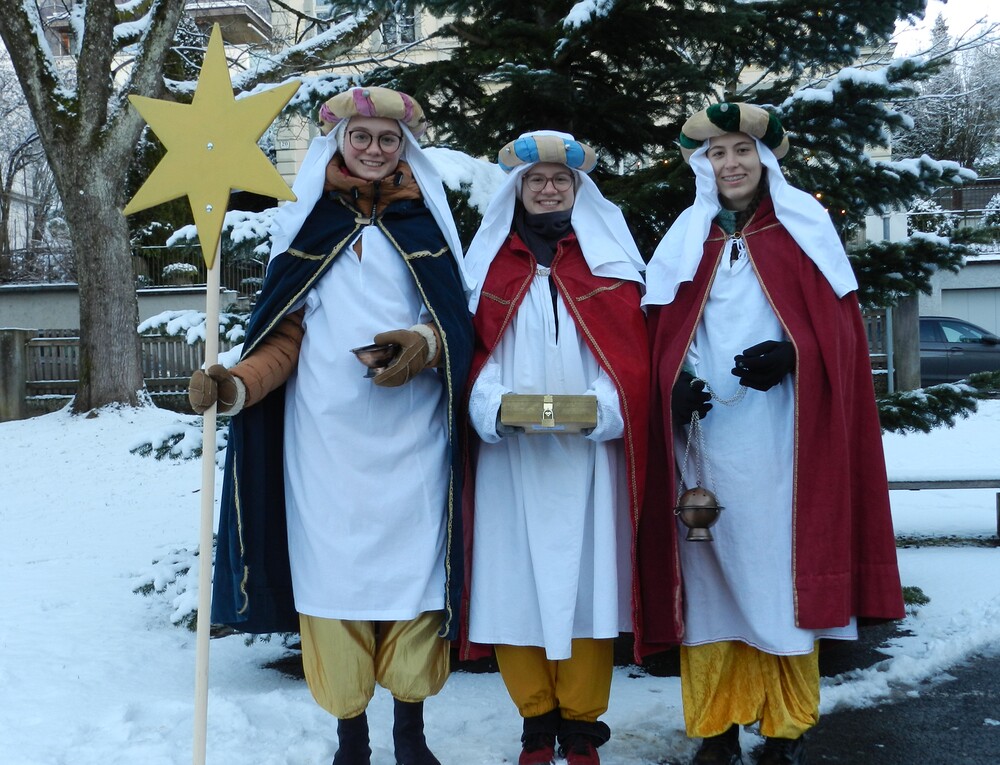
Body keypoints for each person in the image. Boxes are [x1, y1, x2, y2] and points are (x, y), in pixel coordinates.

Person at [187, 86, 474, 765]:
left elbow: (457, 327)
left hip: (414, 441)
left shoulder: (426, 226)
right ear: (339, 142)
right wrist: (235, 383)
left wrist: (424, 346)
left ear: (405, 147)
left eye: (388, 139)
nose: (374, 149)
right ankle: (352, 739)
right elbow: (282, 341)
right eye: (361, 136)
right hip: (324, 449)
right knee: (334, 582)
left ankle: (411, 734)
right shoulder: (309, 229)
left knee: (413, 579)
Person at [637, 103, 904, 765]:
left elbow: (839, 337)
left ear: (764, 159)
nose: (730, 164)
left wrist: (797, 355)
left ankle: (784, 728)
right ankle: (716, 726)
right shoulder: (685, 239)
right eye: (717, 153)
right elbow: (659, 336)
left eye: (742, 151)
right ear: (703, 165)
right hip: (705, 440)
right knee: (709, 580)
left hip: (787, 438)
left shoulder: (804, 229)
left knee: (779, 573)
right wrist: (673, 384)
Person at [461, 131, 649, 765]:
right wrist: (492, 405)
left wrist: (603, 406)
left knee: (586, 587)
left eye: (560, 180)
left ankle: (582, 725)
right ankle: (536, 721)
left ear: (576, 189)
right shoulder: (489, 267)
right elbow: (474, 354)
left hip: (587, 462)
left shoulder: (609, 265)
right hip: (510, 463)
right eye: (535, 180)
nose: (548, 188)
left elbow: (629, 353)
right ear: (517, 191)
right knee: (512, 583)